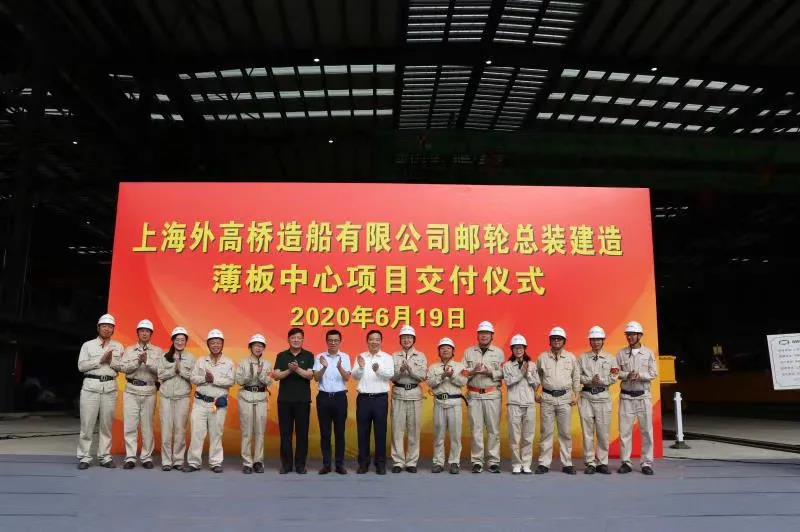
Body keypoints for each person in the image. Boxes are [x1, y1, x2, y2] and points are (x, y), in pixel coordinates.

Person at [76, 313, 123, 470]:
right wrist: (100, 360)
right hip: (91, 387)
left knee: (106, 425)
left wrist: (112, 362)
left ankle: (105, 457)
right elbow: (81, 366)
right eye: (104, 326)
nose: (107, 329)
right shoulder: (87, 345)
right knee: (87, 424)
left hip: (109, 387)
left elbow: (122, 367)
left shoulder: (118, 346)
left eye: (110, 327)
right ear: (98, 328)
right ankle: (84, 457)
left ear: (113, 329)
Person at [185, 329, 235, 473]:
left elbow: (231, 381)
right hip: (200, 403)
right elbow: (193, 378)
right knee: (196, 433)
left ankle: (215, 463)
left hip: (217, 404)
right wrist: (204, 378)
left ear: (222, 344)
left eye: (218, 343)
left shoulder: (228, 363)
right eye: (212, 343)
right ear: (208, 344)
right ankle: (194, 462)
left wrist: (214, 380)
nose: (215, 345)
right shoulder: (201, 361)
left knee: (216, 434)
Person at [535, 326, 580, 475]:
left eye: (559, 339)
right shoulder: (542, 358)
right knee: (546, 432)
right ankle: (544, 463)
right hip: (547, 398)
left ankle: (567, 463)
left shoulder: (571, 358)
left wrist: (576, 394)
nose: (556, 341)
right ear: (550, 341)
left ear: (564, 341)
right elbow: (537, 377)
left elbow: (576, 377)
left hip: (565, 398)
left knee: (565, 433)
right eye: (554, 338)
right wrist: (536, 392)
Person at [119, 319, 163, 469]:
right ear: (138, 333)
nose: (144, 333)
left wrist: (147, 361)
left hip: (149, 391)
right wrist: (137, 362)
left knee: (147, 426)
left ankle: (146, 457)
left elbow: (161, 371)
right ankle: (130, 457)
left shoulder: (158, 351)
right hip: (131, 390)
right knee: (130, 425)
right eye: (142, 331)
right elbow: (123, 368)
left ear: (151, 334)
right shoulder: (129, 350)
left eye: (147, 331)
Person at [616, 321, 658, 476]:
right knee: (625, 432)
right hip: (626, 397)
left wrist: (640, 375)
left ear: (640, 335)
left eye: (633, 334)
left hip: (643, 397)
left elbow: (654, 373)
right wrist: (627, 375)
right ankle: (625, 462)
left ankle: (646, 463)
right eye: (628, 334)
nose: (630, 337)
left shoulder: (648, 353)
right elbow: (615, 373)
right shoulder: (621, 354)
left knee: (646, 431)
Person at [463, 320, 504, 474]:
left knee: (493, 429)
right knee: (476, 429)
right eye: (481, 333)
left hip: (492, 394)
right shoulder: (469, 352)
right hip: (474, 395)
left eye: (487, 333)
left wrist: (490, 372)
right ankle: (477, 461)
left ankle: (493, 461)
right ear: (477, 335)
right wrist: (473, 371)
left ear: (492, 335)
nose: (484, 336)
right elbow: (462, 373)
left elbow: (504, 373)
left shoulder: (498, 352)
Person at [272, 328, 314, 474]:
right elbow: (276, 376)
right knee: (285, 434)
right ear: (288, 339)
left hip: (303, 401)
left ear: (302, 340)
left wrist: (296, 369)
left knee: (302, 434)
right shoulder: (281, 356)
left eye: (299, 338)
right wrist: (289, 370)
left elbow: (310, 375)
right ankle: (286, 465)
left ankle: (300, 465)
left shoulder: (309, 355)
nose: (296, 340)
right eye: (293, 338)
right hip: (285, 401)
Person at [352, 330, 394, 475]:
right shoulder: (361, 356)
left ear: (381, 341)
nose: (374, 342)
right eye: (371, 339)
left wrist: (378, 370)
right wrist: (361, 367)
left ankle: (380, 464)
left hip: (380, 399)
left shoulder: (387, 357)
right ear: (367, 341)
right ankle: (363, 464)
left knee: (380, 433)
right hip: (363, 399)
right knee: (362, 432)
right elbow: (354, 376)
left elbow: (390, 375)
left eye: (377, 339)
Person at [578, 326, 618, 475]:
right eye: (593, 339)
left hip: (603, 397)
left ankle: (602, 462)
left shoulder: (610, 358)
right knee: (587, 432)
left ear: (603, 340)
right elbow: (577, 376)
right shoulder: (582, 358)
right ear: (590, 341)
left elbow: (614, 376)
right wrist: (590, 380)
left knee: (603, 432)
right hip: (587, 397)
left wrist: (601, 381)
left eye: (598, 339)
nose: (596, 342)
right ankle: (590, 462)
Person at [390, 325, 427, 473]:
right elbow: (391, 377)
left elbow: (423, 376)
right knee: (397, 429)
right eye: (404, 338)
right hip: (398, 393)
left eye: (409, 338)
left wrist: (410, 371)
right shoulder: (394, 356)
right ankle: (398, 462)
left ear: (414, 339)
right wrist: (400, 371)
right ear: (400, 340)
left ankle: (412, 462)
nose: (406, 340)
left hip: (414, 395)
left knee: (414, 429)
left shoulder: (421, 356)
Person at [156, 326, 195, 471]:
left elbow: (194, 377)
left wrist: (182, 371)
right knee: (166, 430)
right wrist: (174, 370)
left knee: (180, 429)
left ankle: (178, 460)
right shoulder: (165, 356)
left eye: (182, 340)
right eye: (177, 339)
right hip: (166, 397)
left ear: (186, 341)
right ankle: (166, 461)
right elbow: (160, 375)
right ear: (173, 340)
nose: (180, 342)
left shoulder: (191, 358)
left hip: (183, 397)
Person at [427, 337, 467, 474]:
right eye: (442, 348)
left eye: (448, 348)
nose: (445, 350)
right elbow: (430, 383)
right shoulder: (433, 367)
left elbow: (463, 382)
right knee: (439, 435)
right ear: (439, 351)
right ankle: (438, 462)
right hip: (439, 402)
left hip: (455, 403)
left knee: (455, 435)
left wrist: (452, 376)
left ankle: (454, 462)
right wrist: (443, 375)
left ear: (453, 351)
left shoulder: (460, 366)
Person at [313, 329, 351, 475]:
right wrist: (324, 366)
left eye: (336, 340)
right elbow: (316, 378)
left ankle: (340, 465)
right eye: (330, 340)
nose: (333, 343)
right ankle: (326, 465)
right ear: (326, 341)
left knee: (340, 432)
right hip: (323, 398)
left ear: (340, 341)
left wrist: (339, 366)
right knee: (325, 433)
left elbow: (347, 378)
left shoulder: (345, 357)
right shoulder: (320, 357)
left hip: (340, 398)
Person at [235, 334, 273, 474]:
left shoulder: (267, 364)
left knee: (260, 432)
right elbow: (239, 381)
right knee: (246, 432)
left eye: (261, 346)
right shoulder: (243, 362)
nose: (258, 348)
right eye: (256, 345)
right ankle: (247, 462)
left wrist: (260, 374)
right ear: (250, 347)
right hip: (246, 397)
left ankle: (258, 461)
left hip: (261, 397)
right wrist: (250, 374)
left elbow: (270, 381)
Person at [502, 334, 540, 475]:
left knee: (528, 436)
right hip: (514, 404)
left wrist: (528, 375)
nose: (518, 350)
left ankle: (526, 464)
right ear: (512, 349)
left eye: (521, 347)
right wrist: (521, 373)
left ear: (525, 349)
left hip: (529, 404)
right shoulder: (507, 365)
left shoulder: (532, 365)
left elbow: (537, 384)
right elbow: (508, 382)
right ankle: (516, 464)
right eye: (516, 347)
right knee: (515, 437)